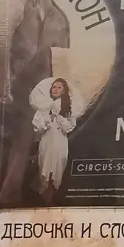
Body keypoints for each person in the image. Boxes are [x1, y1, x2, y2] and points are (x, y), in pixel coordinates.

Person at [31, 77, 78, 205]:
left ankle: (52, 200)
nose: (56, 89)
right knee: (44, 172)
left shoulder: (68, 107)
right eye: (54, 87)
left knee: (56, 172)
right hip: (46, 141)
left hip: (60, 142)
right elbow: (38, 127)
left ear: (64, 91)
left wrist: (60, 118)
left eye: (59, 87)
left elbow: (69, 127)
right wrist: (48, 118)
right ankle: (45, 202)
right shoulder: (44, 107)